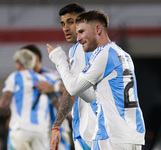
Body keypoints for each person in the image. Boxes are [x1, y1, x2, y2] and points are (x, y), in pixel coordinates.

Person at [47, 10, 146, 150]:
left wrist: (60, 61)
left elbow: (72, 88)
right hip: (132, 134)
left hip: (111, 135)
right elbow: (94, 96)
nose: (78, 38)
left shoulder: (103, 54)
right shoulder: (123, 54)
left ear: (98, 29)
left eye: (81, 32)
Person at [50, 3, 98, 150]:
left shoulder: (82, 49)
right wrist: (56, 127)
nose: (65, 28)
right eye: (63, 24)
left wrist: (59, 61)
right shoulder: (77, 50)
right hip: (88, 130)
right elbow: (72, 90)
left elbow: (73, 90)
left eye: (71, 22)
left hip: (94, 131)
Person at [20, 44, 71, 150]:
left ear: (36, 58)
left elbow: (70, 88)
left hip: (57, 133)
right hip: (34, 133)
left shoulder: (50, 75)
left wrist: (53, 88)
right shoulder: (21, 79)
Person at [0, 49, 50, 150]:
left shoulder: (15, 77)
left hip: (20, 129)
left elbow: (3, 104)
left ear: (18, 64)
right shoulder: (44, 80)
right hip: (41, 131)